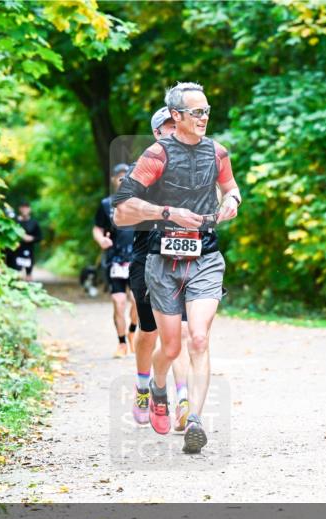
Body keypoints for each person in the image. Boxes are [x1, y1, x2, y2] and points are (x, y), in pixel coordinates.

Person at [113, 83, 242, 454]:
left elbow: (232, 187)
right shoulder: (155, 155)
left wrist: (233, 200)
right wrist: (167, 213)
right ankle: (156, 387)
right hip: (161, 259)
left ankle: (196, 421)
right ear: (176, 117)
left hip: (205, 256)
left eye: (207, 111)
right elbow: (122, 210)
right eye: (197, 112)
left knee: (198, 339)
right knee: (169, 347)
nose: (204, 118)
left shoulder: (218, 152)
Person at [128, 107, 193, 432]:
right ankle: (143, 388)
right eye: (168, 128)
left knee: (179, 332)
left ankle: (183, 400)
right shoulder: (146, 166)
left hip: (182, 259)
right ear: (157, 133)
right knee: (149, 331)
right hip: (146, 257)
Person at [93, 164, 139, 357]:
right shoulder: (106, 205)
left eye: (125, 176)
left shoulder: (141, 203)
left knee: (137, 302)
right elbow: (97, 228)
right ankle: (121, 343)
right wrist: (101, 239)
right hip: (116, 260)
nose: (122, 180)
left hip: (137, 258)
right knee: (118, 301)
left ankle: (132, 330)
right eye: (118, 177)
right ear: (113, 180)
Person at [6, 201, 41, 281]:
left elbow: (39, 237)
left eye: (26, 207)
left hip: (28, 252)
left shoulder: (34, 223)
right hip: (14, 252)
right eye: (23, 207)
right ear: (20, 209)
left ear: (29, 209)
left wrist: (31, 238)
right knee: (14, 276)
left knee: (28, 277)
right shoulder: (13, 221)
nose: (25, 209)